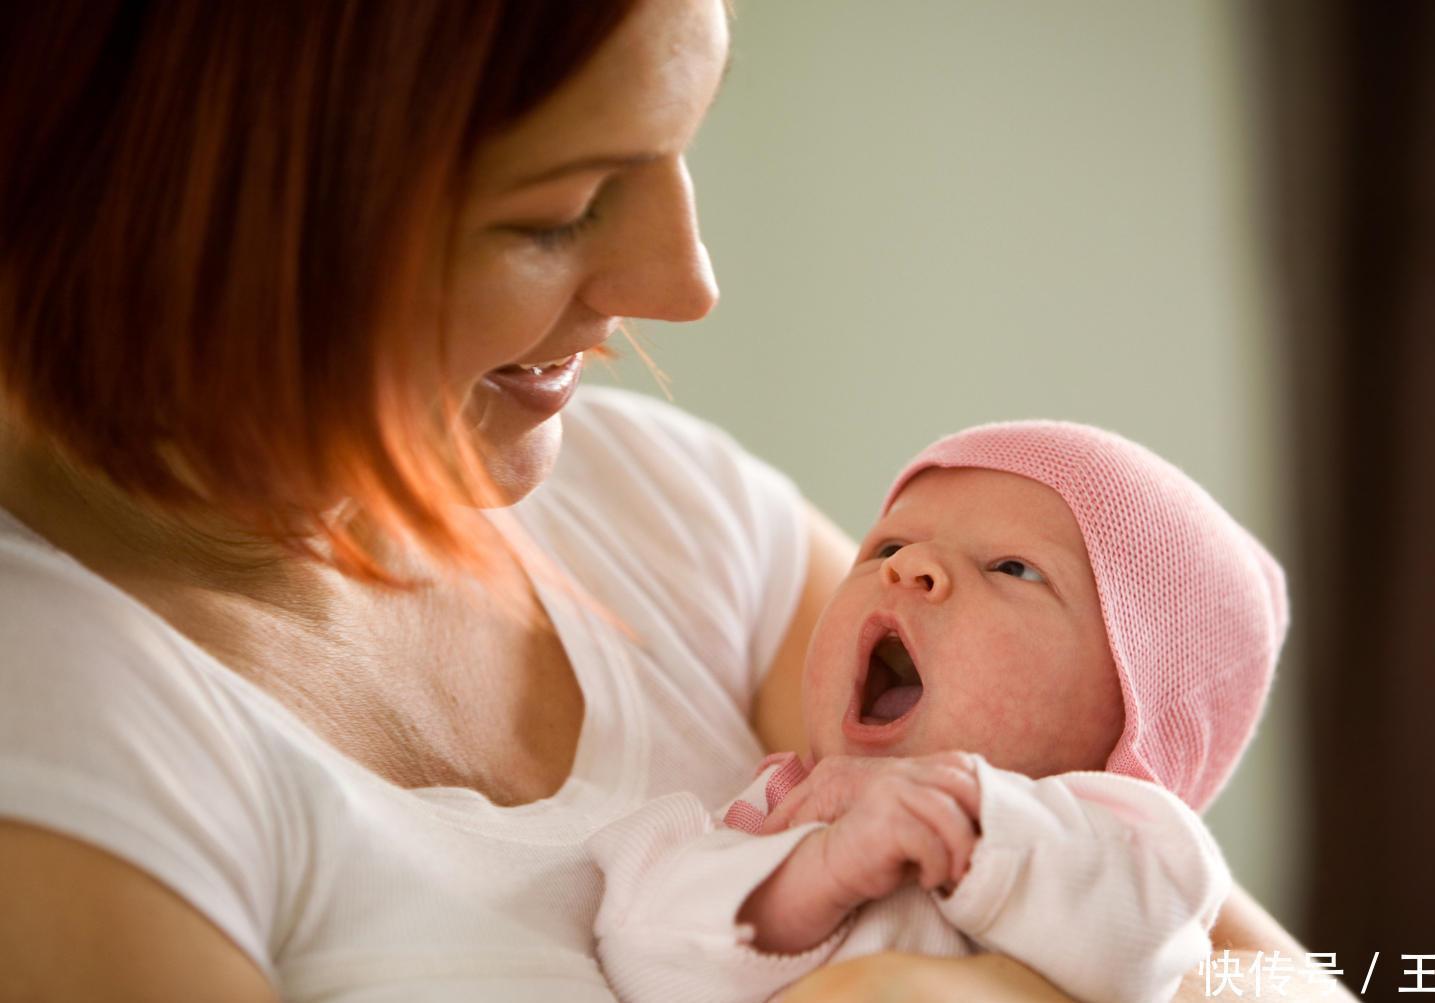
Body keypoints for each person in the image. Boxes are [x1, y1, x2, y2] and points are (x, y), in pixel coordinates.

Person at [0, 1, 1351, 1000]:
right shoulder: (69, 737)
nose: (686, 280)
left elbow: (1279, 986)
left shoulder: (662, 503)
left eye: (677, 149)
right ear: (200, 212)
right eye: (564, 207)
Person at [587, 420, 1285, 1003]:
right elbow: (644, 951)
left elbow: (1145, 944)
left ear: (1134, 714)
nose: (909, 564)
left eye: (1012, 568)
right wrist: (810, 875)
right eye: (886, 546)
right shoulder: (778, 815)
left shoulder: (1135, 848)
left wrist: (969, 818)